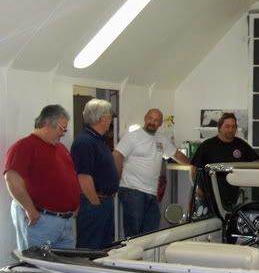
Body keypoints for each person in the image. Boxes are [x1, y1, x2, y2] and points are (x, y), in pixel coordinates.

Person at [3, 105, 80, 250]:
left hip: (65, 223)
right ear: (47, 124)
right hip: (41, 222)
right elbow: (12, 179)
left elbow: (70, 177)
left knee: (66, 263)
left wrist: (74, 205)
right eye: (62, 129)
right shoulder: (24, 146)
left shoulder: (61, 149)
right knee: (38, 264)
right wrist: (30, 210)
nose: (63, 133)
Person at [113, 108, 190, 238]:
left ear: (160, 124)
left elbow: (176, 154)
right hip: (132, 190)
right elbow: (116, 155)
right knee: (134, 233)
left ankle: (145, 252)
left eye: (156, 120)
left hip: (151, 193)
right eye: (150, 118)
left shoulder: (161, 139)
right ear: (145, 118)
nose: (152, 122)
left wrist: (193, 164)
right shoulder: (133, 136)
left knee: (151, 232)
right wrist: (117, 179)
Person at [71, 99, 119, 249]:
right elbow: (83, 176)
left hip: (103, 201)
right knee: (90, 247)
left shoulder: (98, 140)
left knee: (104, 248)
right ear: (103, 119)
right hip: (93, 203)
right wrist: (96, 203)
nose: (110, 121)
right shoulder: (85, 142)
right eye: (109, 117)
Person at [190, 112, 259, 208]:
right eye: (227, 126)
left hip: (231, 199)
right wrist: (197, 187)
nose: (231, 129)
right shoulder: (207, 146)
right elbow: (193, 169)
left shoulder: (241, 145)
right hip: (207, 198)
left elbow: (257, 163)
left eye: (233, 126)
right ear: (219, 128)